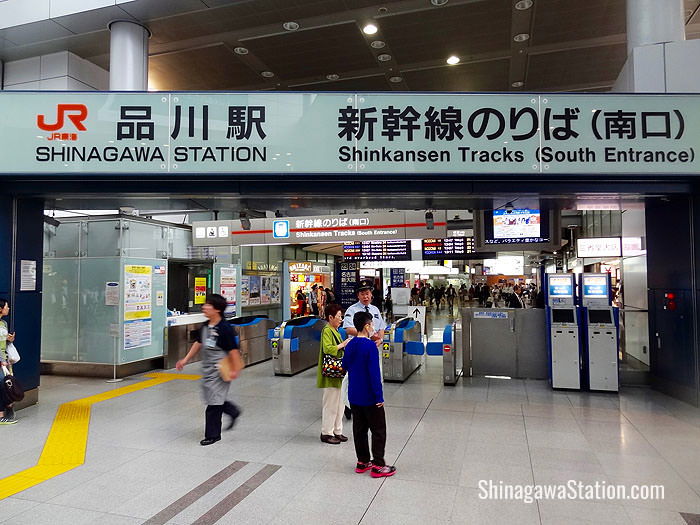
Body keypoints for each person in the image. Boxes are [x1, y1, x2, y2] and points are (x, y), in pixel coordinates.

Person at [176, 294, 242, 446]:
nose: (204, 307)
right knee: (212, 398)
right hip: (208, 368)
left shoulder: (225, 328)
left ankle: (213, 435)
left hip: (220, 368)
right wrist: (185, 360)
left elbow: (233, 351)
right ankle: (232, 411)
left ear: (217, 309)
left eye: (208, 305)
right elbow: (198, 343)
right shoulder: (206, 325)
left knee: (213, 403)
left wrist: (235, 369)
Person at [342, 311, 396, 478]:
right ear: (366, 326)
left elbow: (344, 365)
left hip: (354, 395)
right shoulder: (370, 347)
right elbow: (374, 374)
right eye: (371, 324)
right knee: (378, 430)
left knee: (359, 429)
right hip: (370, 397)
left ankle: (362, 461)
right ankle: (378, 465)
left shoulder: (350, 344)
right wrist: (379, 397)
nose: (373, 327)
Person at [342, 279, 387, 420]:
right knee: (354, 377)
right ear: (358, 296)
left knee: (374, 375)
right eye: (362, 294)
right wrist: (365, 334)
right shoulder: (352, 310)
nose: (365, 296)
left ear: (371, 294)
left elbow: (381, 327)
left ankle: (373, 401)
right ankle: (348, 405)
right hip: (357, 349)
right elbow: (348, 328)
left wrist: (379, 338)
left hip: (372, 348)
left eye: (367, 293)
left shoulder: (375, 310)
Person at [317, 304, 350, 445]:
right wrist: (343, 345)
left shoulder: (335, 330)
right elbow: (328, 348)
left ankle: (337, 430)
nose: (341, 319)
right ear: (330, 317)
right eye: (338, 317)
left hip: (338, 373)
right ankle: (326, 432)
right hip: (331, 373)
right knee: (330, 404)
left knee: (340, 403)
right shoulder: (327, 331)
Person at [0, 298, 17, 425]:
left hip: (5, 360)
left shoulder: (3, 323)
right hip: (1, 361)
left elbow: (3, 342)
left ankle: (7, 411)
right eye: (6, 306)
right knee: (2, 385)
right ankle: (2, 415)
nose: (8, 308)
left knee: (6, 384)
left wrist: (9, 339)